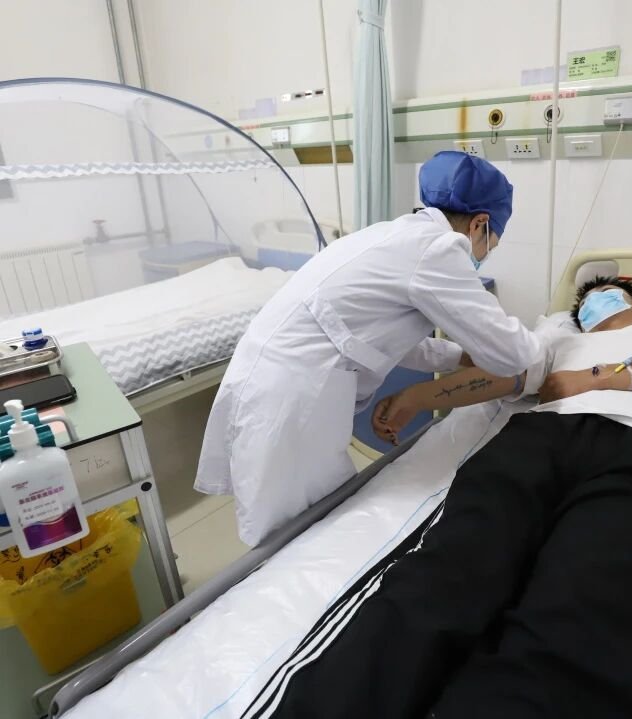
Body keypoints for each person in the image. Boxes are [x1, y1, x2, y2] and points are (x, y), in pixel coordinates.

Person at [241, 276, 632, 719]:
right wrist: (419, 397)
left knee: (590, 606)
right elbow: (505, 377)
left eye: (607, 293)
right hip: (537, 440)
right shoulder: (561, 341)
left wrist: (595, 377)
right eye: (587, 303)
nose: (596, 304)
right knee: (445, 572)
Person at [196, 151, 541, 546]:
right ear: (480, 223)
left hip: (275, 374)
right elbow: (515, 355)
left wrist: (460, 356)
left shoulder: (392, 235)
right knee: (289, 530)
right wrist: (546, 345)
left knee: (303, 516)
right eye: (491, 244)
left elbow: (380, 337)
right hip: (292, 392)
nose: (484, 254)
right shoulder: (440, 250)